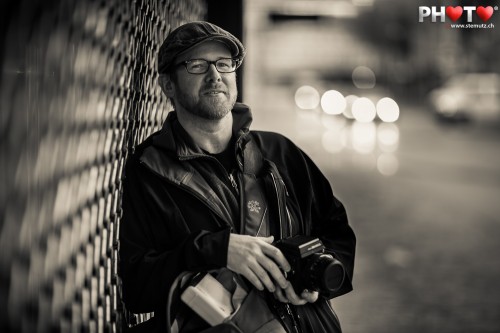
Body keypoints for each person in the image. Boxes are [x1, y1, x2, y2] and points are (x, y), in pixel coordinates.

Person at [119, 21, 356, 333]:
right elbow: (137, 288)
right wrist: (217, 250)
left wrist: (315, 282)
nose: (215, 75)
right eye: (196, 65)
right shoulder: (149, 170)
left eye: (224, 64)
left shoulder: (279, 151)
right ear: (168, 85)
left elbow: (336, 232)